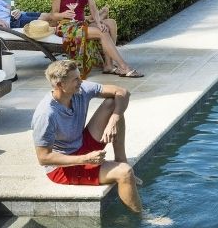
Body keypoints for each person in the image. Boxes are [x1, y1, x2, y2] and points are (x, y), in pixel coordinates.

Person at [32, 59, 143, 213]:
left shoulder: (81, 89)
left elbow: (123, 92)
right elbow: (44, 158)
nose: (81, 82)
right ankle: (143, 218)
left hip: (81, 144)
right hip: (63, 167)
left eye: (79, 77)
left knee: (112, 104)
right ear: (60, 85)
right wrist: (85, 159)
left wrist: (114, 119)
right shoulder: (46, 115)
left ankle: (121, 160)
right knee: (124, 173)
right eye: (75, 79)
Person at [51, 0, 143, 78]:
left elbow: (93, 7)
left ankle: (109, 65)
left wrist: (99, 22)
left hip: (81, 22)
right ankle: (124, 67)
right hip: (66, 26)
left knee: (110, 23)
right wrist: (63, 14)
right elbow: (53, 15)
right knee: (102, 32)